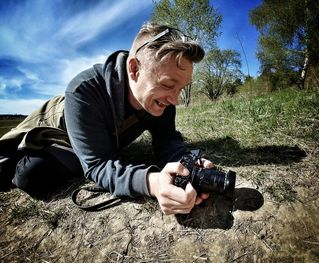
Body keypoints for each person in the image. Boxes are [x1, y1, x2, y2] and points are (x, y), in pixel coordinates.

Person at [0, 22, 212, 215]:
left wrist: (188, 166)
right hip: (53, 128)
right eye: (167, 85)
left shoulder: (163, 100)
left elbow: (167, 139)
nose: (175, 99)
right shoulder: (83, 91)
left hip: (96, 134)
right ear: (134, 69)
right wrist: (153, 183)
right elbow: (98, 164)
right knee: (31, 175)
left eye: (180, 89)